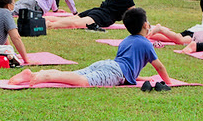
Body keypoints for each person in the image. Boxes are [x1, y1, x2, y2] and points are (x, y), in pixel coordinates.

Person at [9, 7, 172, 87]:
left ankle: (34, 74)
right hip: (115, 70)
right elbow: (160, 67)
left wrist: (141, 78)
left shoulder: (126, 40)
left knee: (73, 74)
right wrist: (169, 83)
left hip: (106, 64)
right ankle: (44, 77)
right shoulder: (145, 43)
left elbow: (126, 67)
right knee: (82, 81)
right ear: (145, 25)